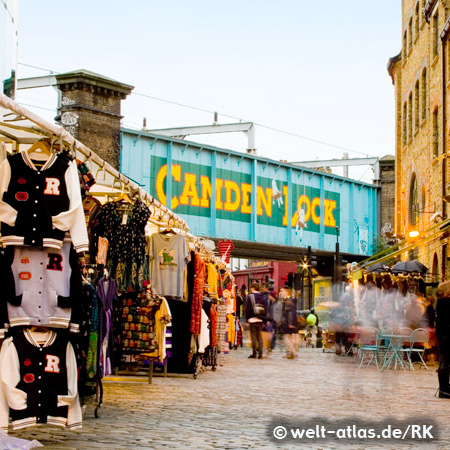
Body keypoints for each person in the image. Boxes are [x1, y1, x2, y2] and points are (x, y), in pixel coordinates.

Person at [435, 281, 450, 398]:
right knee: (445, 361)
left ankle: (444, 388)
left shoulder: (441, 302)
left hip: (443, 334)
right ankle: (444, 389)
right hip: (446, 334)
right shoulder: (445, 302)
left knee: (444, 361)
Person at [245, 283, 267, 359]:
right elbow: (265, 309)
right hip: (260, 319)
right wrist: (264, 320)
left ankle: (254, 353)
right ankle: (260, 354)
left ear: (253, 288)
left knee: (253, 336)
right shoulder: (263, 297)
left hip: (252, 319)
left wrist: (247, 320)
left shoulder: (250, 297)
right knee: (260, 337)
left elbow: (247, 309)